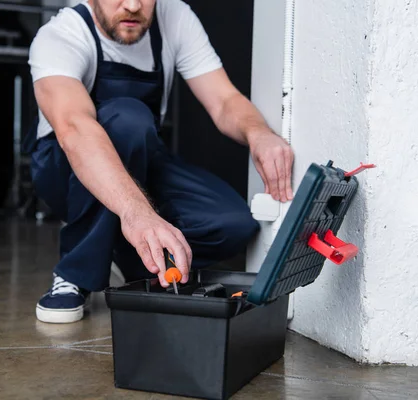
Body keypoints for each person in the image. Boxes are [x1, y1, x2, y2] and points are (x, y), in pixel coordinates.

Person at [25, 0, 294, 324]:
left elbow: (224, 100)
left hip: (142, 157)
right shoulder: (61, 35)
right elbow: (74, 129)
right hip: (65, 164)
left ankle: (127, 254)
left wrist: (258, 132)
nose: (134, 5)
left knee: (232, 224)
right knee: (129, 120)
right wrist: (135, 213)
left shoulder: (174, 17)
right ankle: (75, 273)